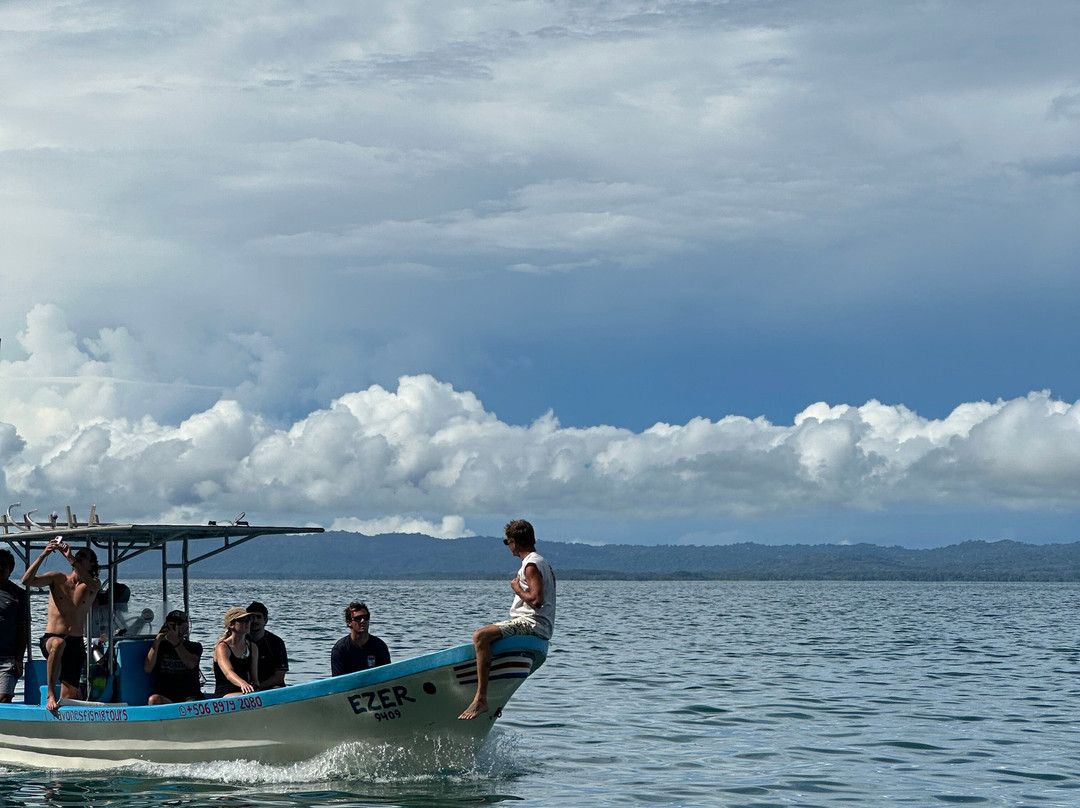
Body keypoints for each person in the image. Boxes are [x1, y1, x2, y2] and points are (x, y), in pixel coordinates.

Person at [459, 519, 556, 720]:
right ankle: (495, 696)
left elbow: (537, 600)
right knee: (492, 638)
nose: (508, 547)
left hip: (531, 623)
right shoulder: (541, 562)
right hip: (538, 625)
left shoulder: (531, 565)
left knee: (481, 637)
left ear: (515, 542)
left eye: (507, 542)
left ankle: (481, 698)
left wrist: (518, 589)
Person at [21, 538, 102, 713]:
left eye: (84, 557)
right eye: (78, 555)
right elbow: (27, 581)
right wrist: (44, 554)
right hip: (52, 639)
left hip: (76, 643)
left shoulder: (92, 585)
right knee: (58, 643)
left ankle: (61, 722)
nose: (79, 558)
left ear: (92, 564)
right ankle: (50, 693)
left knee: (69, 696)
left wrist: (71, 557)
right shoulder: (57, 578)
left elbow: (93, 584)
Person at [143, 610, 203, 705]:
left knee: (190, 704)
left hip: (190, 696)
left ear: (186, 627)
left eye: (179, 624)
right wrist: (157, 642)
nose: (176, 627)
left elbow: (191, 664)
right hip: (166, 696)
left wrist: (176, 643)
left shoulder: (194, 647)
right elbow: (147, 668)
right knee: (153, 699)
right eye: (172, 624)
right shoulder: (159, 648)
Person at [330, 602, 390, 676]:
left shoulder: (379, 646)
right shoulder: (340, 649)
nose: (363, 621)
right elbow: (338, 682)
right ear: (349, 623)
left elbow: (387, 675)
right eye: (358, 618)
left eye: (366, 617)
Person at [0, 550, 28, 704]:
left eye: (3, 565)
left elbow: (22, 629)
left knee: (4, 698)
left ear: (10, 569)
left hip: (8, 659)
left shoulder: (19, 595)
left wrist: (19, 659)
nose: (0, 568)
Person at [212, 607, 258, 697]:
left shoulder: (253, 647)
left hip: (246, 692)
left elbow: (254, 678)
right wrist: (243, 684)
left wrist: (255, 688)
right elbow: (228, 673)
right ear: (232, 625)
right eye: (243, 620)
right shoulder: (222, 647)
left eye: (248, 620)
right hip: (224, 695)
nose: (248, 623)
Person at [246, 601, 288, 689]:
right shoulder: (240, 640)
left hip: (271, 689)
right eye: (251, 617)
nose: (254, 621)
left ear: (265, 621)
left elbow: (279, 678)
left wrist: (257, 689)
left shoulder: (276, 642)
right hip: (245, 689)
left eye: (258, 617)